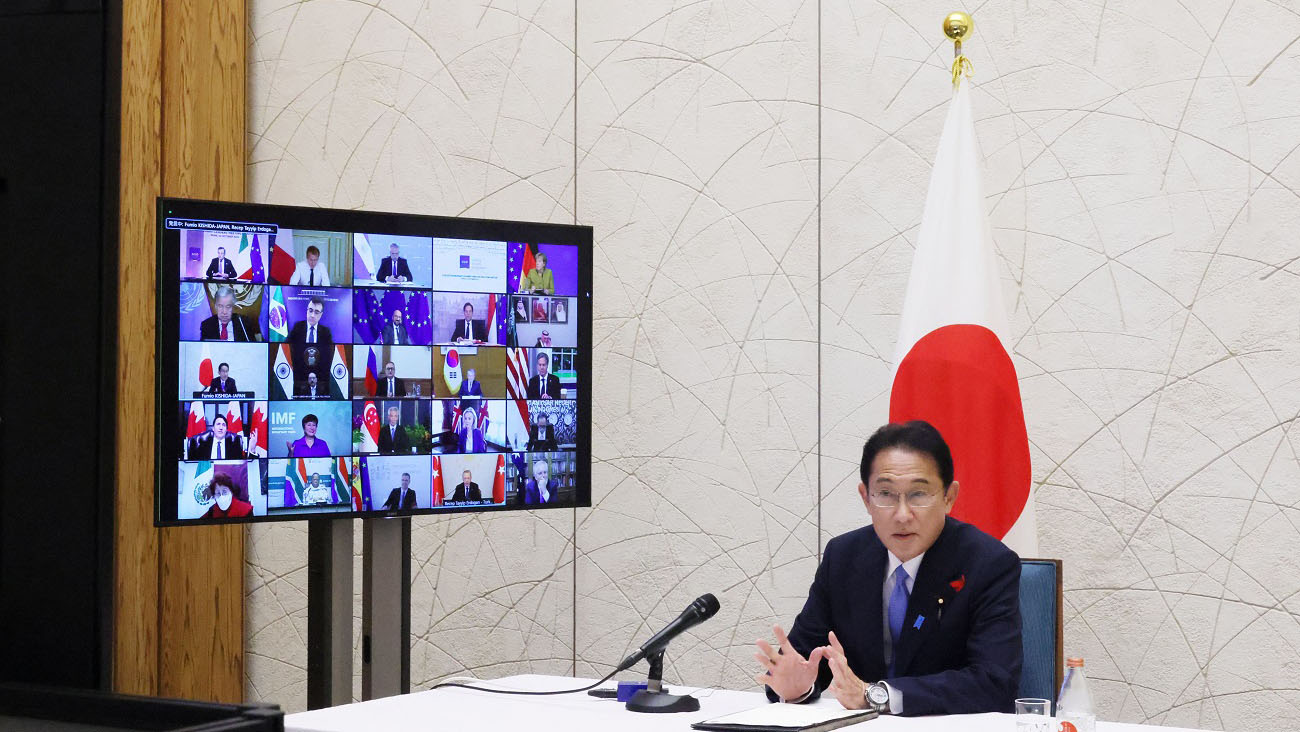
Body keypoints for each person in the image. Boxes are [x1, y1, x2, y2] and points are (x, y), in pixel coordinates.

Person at [754, 421, 1021, 717]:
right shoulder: (843, 557)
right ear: (866, 498)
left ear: (949, 497)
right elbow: (804, 661)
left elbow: (995, 683)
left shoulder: (988, 563)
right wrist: (797, 686)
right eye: (886, 494)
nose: (902, 514)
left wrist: (876, 695)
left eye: (918, 494)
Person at [287, 296, 333, 382]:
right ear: (307, 310)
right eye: (310, 310)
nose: (312, 315)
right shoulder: (298, 327)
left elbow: (328, 357)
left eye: (316, 312)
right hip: (298, 370)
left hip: (320, 373)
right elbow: (287, 346)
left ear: (321, 314)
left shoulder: (326, 332)